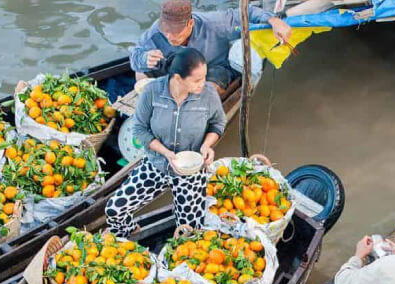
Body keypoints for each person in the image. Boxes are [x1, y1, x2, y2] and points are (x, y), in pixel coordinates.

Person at [106, 48, 226, 238]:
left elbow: (218, 123)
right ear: (178, 78)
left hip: (191, 171)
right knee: (114, 210)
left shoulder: (209, 95)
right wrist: (166, 153)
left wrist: (206, 146)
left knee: (189, 231)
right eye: (197, 80)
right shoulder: (153, 92)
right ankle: (128, 235)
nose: (203, 84)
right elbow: (139, 128)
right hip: (156, 165)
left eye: (204, 77)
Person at [130, 0, 292, 94]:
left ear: (190, 24)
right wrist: (144, 58)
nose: (170, 37)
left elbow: (248, 12)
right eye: (166, 31)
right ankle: (150, 101)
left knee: (211, 89)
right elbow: (135, 57)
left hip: (212, 68)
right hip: (176, 69)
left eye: (176, 33)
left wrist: (274, 21)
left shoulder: (214, 23)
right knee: (141, 70)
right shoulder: (155, 32)